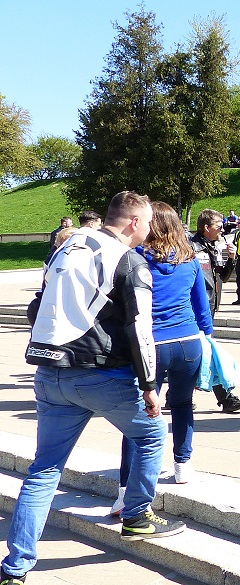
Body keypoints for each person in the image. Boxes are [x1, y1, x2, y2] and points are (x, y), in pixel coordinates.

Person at [3, 192, 184, 585]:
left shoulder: (67, 247)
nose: (150, 229)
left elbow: (37, 306)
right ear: (134, 221)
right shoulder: (128, 260)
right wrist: (149, 386)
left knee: (43, 470)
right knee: (151, 433)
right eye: (148, 222)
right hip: (101, 374)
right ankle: (137, 514)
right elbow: (141, 328)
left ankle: (15, 568)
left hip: (50, 371)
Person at [110, 201, 214, 519]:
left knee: (140, 415)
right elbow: (202, 307)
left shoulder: (135, 259)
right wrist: (207, 337)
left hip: (150, 344)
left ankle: (125, 491)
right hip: (187, 342)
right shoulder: (190, 260)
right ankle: (182, 465)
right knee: (182, 405)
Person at [189, 209, 240, 414]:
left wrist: (232, 258)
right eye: (219, 226)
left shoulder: (214, 246)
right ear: (206, 228)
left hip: (210, 307)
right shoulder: (191, 247)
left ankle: (176, 396)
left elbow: (222, 277)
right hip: (195, 310)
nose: (223, 229)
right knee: (210, 354)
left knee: (199, 354)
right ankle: (226, 398)